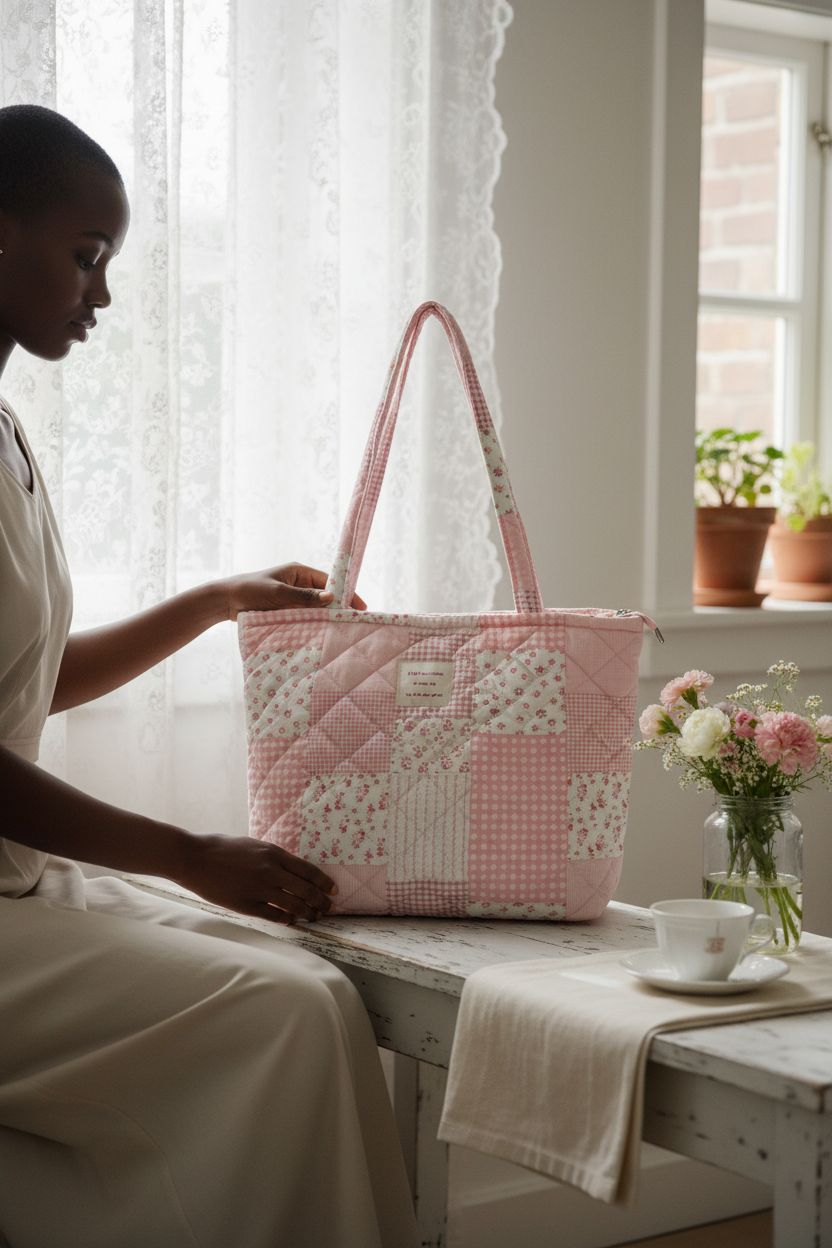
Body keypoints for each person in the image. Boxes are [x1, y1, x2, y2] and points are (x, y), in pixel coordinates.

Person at [0, 104, 418, 1248]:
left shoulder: (8, 431)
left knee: (315, 984)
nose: (103, 296)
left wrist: (218, 599)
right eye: (85, 256)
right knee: (285, 1016)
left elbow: (26, 687)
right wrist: (188, 858)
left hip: (19, 885)